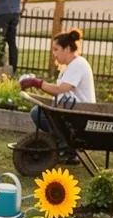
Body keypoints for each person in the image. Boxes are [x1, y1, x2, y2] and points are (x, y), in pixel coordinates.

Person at [21, 29, 96, 158]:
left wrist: (37, 83)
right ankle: (63, 146)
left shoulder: (78, 64)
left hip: (81, 113)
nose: (54, 54)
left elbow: (61, 89)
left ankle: (64, 146)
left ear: (67, 48)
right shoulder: (69, 66)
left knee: (38, 113)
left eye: (56, 49)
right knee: (39, 112)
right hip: (72, 110)